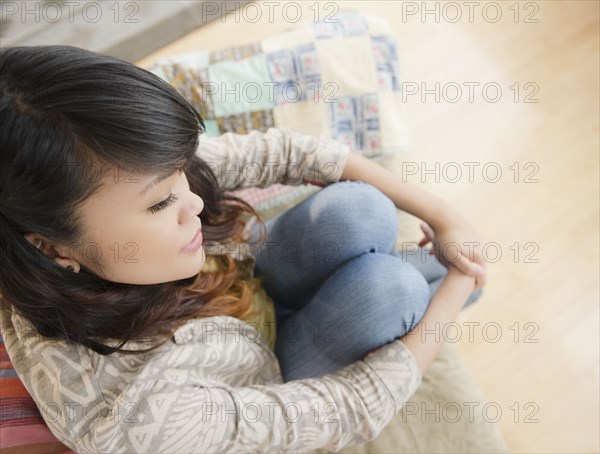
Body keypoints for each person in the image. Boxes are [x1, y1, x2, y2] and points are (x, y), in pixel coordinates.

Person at [0, 45, 487, 452]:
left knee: (360, 209)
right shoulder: (134, 417)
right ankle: (439, 288)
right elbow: (352, 408)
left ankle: (421, 283)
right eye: (161, 204)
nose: (192, 198)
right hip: (260, 369)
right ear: (50, 248)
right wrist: (463, 276)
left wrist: (448, 217)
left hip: (242, 288)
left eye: (182, 171)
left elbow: (291, 152)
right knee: (395, 289)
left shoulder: (114, 173)